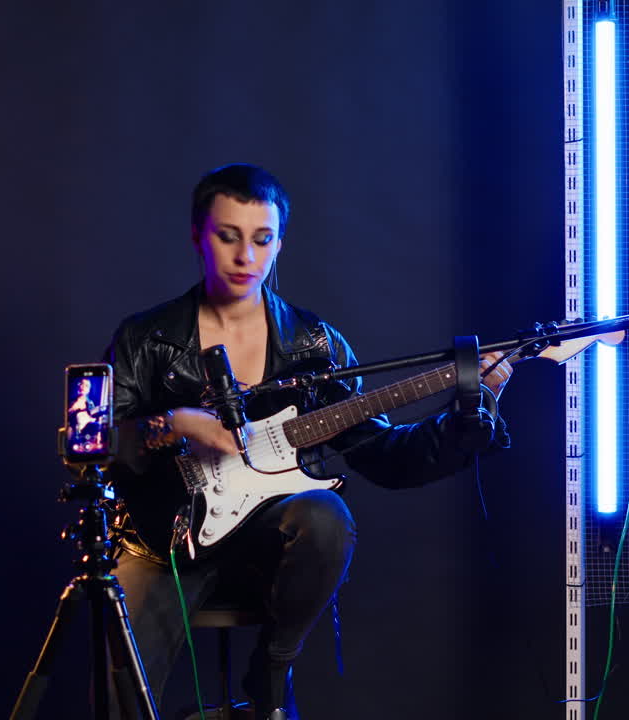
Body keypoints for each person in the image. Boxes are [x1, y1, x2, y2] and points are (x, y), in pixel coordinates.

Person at [102, 163, 511, 720]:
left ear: (279, 244)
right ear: (199, 235)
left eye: (262, 239)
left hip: (266, 544)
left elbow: (388, 459)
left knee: (326, 514)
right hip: (162, 539)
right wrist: (172, 423)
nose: (247, 257)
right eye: (229, 237)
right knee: (122, 699)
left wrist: (473, 405)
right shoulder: (146, 337)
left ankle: (272, 670)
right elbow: (99, 444)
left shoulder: (316, 345)